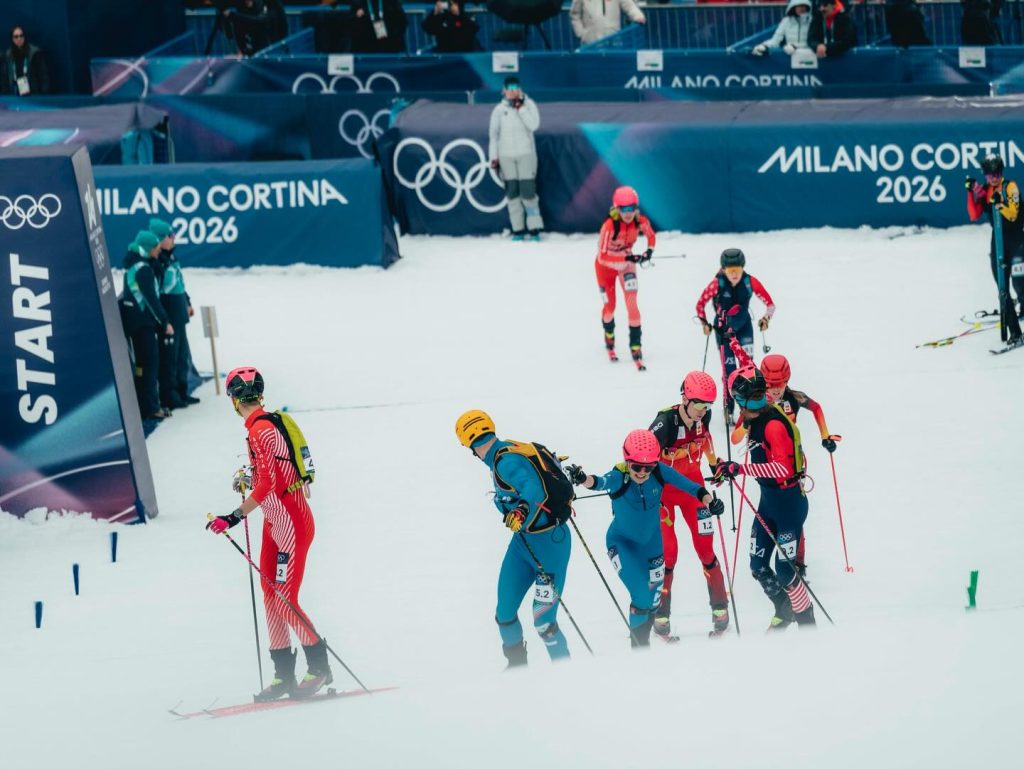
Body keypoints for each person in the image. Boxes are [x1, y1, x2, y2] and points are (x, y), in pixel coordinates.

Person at [207, 367, 332, 700]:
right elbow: (273, 472)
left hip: (290, 521)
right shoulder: (262, 426)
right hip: (275, 522)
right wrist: (247, 480)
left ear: (234, 400)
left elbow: (268, 485)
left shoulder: (260, 430)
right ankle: (283, 675)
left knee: (285, 597)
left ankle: (319, 666)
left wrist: (232, 517)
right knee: (270, 593)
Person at [566, 429, 722, 647]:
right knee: (641, 597)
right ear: (627, 461)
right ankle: (639, 652)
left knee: (654, 603)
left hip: (652, 544)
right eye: (636, 467)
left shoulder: (659, 472)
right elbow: (598, 482)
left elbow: (691, 487)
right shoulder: (619, 476)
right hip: (622, 544)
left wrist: (710, 502)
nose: (642, 472)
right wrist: (582, 478)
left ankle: (643, 646)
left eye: (648, 467)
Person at [456, 410, 574, 667]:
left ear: (469, 445)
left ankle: (566, 673)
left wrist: (521, 510)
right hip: (523, 545)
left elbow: (534, 489)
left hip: (551, 545)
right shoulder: (506, 449)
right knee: (505, 613)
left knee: (544, 622)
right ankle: (517, 669)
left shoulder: (504, 462)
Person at [711, 367, 815, 631]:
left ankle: (807, 622)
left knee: (785, 571)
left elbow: (782, 469)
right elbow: (739, 441)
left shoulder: (773, 425)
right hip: (768, 503)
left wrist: (741, 469)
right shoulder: (754, 417)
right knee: (757, 565)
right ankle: (784, 609)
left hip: (789, 505)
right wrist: (727, 469)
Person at [731, 351, 840, 577]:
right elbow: (735, 438)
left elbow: (816, 408)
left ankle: (797, 562)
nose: (775, 389)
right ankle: (776, 551)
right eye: (771, 384)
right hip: (765, 461)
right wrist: (747, 425)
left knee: (792, 515)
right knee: (774, 505)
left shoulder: (794, 398)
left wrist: (825, 436)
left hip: (793, 461)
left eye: (780, 384)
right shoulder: (755, 402)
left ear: (787, 380)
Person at [647, 371, 730, 638]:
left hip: (694, 489)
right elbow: (643, 457)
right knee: (668, 554)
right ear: (685, 398)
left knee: (706, 548)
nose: (703, 411)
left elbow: (706, 439)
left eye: (707, 405)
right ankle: (660, 613)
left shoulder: (703, 416)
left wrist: (715, 465)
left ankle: (720, 607)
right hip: (663, 494)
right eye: (699, 404)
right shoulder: (664, 423)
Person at [695, 248, 775, 420]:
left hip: (745, 328)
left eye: (737, 270)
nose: (734, 274)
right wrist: (704, 323)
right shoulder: (717, 284)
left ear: (742, 268)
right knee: (729, 372)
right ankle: (729, 408)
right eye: (730, 270)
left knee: (749, 370)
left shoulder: (750, 282)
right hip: (723, 331)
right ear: (723, 269)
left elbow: (770, 304)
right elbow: (700, 304)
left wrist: (766, 319)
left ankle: (751, 407)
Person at [595, 186, 656, 370]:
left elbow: (651, 236)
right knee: (610, 307)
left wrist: (649, 251)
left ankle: (636, 345)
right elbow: (602, 256)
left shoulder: (640, 221)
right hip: (605, 268)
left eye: (631, 208)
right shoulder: (609, 225)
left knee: (632, 304)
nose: (628, 213)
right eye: (624, 209)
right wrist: (626, 258)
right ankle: (609, 336)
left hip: (627, 265)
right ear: (617, 209)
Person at [966, 153, 1023, 346]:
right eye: (990, 175)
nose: (994, 178)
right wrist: (970, 193)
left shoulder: (1010, 187)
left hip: (1017, 241)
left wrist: (999, 204)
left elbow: (1013, 215)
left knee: (1019, 283)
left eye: (997, 174)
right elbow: (974, 215)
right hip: (998, 241)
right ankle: (1016, 333)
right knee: (1002, 289)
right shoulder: (985, 190)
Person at [120, 231, 175, 421]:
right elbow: (151, 300)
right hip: (142, 325)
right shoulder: (143, 269)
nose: (159, 249)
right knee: (149, 365)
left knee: (143, 366)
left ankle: (146, 405)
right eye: (156, 247)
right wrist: (164, 321)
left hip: (137, 323)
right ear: (148, 248)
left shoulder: (135, 265)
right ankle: (150, 408)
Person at [151, 218, 199, 410]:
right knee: (169, 359)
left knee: (181, 355)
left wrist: (187, 302)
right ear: (160, 239)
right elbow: (156, 292)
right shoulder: (157, 262)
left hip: (179, 314)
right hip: (169, 314)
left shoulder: (172, 258)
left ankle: (181, 391)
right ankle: (170, 396)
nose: (174, 238)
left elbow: (179, 282)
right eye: (170, 235)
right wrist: (164, 319)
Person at [488, 76, 544, 241]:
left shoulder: (529, 105)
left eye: (515, 88)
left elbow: (534, 125)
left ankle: (534, 228)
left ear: (519, 89)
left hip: (526, 155)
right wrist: (494, 157)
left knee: (528, 193)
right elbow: (493, 135)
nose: (512, 91)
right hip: (506, 157)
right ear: (504, 90)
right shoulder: (499, 110)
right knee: (512, 194)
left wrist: (521, 108)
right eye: (509, 88)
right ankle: (517, 230)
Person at [569, 0, 646, 46]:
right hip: (590, 44)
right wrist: (581, 34)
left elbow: (629, 6)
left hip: (614, 42)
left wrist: (638, 16)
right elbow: (575, 15)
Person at [2, 26, 50, 96]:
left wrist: (43, 94)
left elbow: (43, 76)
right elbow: (4, 78)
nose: (19, 39)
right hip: (14, 94)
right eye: (16, 37)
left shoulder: (34, 53)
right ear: (12, 39)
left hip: (33, 95)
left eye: (21, 36)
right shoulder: (8, 55)